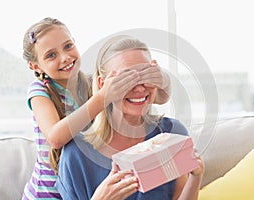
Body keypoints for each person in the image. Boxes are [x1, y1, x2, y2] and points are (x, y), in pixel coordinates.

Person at [21, 18, 171, 199]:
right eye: (51, 55)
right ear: (35, 66)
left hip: (78, 189)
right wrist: (102, 97)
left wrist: (159, 77)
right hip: (45, 194)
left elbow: (160, 98)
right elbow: (55, 137)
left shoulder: (90, 84)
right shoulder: (39, 91)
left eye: (68, 46)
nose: (65, 57)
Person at [56, 35, 204, 200]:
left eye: (147, 75)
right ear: (104, 84)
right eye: (126, 78)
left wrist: (195, 178)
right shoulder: (77, 153)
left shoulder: (172, 133)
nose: (140, 88)